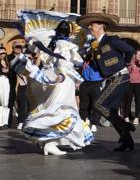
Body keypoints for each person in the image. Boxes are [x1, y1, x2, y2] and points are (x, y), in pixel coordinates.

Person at [18, 20, 93, 155]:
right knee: (62, 109)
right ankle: (50, 143)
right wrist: (63, 76)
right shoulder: (65, 45)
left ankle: (45, 141)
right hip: (63, 81)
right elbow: (63, 63)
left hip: (55, 77)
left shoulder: (53, 43)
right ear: (69, 32)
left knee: (52, 108)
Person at [77, 12, 135, 152]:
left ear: (101, 27)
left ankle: (124, 127)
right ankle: (126, 139)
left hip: (120, 76)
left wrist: (125, 64)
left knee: (99, 104)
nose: (91, 27)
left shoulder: (111, 40)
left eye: (94, 25)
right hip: (111, 79)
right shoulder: (94, 45)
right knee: (111, 109)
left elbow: (130, 50)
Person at [79, 43, 104, 133]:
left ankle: (94, 123)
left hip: (96, 83)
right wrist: (87, 52)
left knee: (95, 104)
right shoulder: (85, 59)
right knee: (84, 104)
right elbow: (81, 53)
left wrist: (95, 55)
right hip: (85, 83)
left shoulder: (99, 59)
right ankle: (83, 120)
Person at [124, 49, 140, 125]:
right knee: (128, 100)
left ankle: (137, 117)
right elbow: (126, 70)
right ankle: (126, 116)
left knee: (138, 101)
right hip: (130, 82)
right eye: (138, 55)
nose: (139, 56)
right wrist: (131, 67)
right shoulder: (131, 60)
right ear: (135, 54)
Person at [0, 46, 10, 129]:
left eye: (4, 53)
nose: (2, 54)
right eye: (1, 53)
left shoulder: (7, 61)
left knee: (5, 101)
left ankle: (5, 122)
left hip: (5, 81)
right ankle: (0, 122)